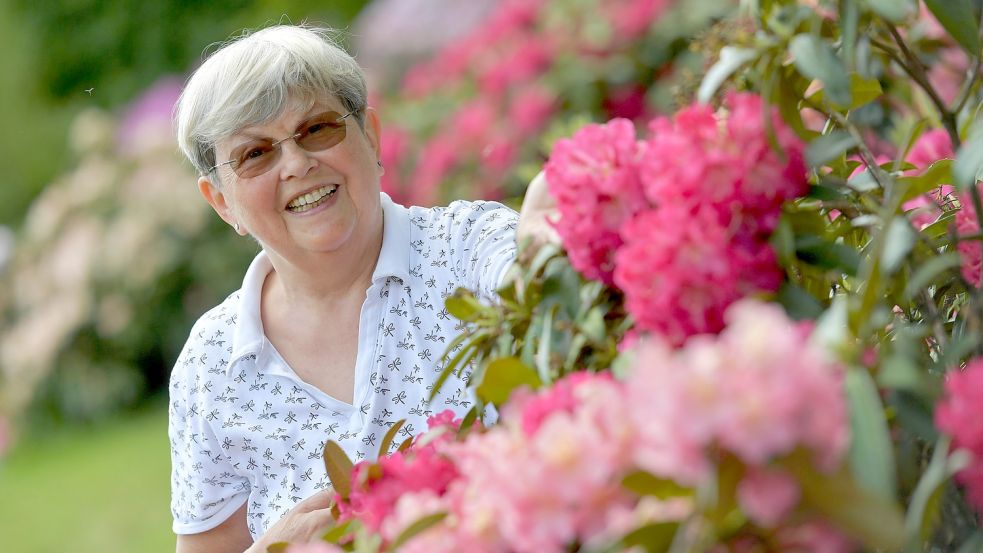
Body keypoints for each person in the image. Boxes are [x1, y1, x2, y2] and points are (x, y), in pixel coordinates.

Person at [168, 24, 556, 553]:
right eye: (255, 154)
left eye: (318, 129)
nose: (298, 164)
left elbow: (537, 272)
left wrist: (552, 211)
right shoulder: (210, 367)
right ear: (222, 202)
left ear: (370, 136)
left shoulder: (466, 249)